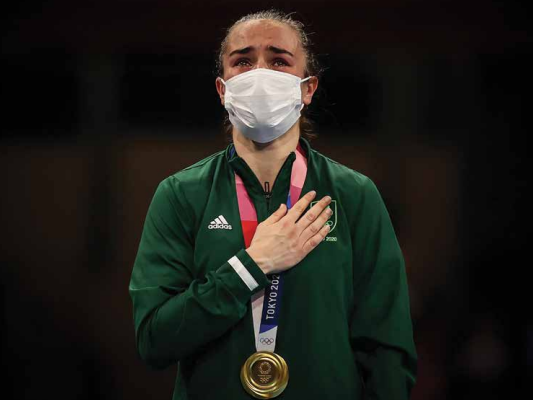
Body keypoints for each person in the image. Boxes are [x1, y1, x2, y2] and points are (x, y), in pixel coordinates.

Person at [129, 9, 417, 400]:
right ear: (222, 89)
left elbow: (387, 349)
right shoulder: (181, 194)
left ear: (307, 88)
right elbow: (154, 340)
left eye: (279, 60)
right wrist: (251, 266)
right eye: (243, 61)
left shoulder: (354, 195)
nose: (259, 72)